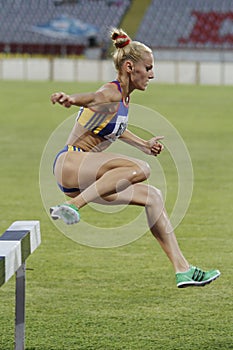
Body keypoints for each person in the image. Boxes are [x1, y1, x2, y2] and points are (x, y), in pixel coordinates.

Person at [49, 28, 220, 288]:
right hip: (71, 163)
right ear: (130, 67)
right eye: (148, 68)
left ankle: (182, 269)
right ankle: (72, 208)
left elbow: (113, 128)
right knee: (141, 169)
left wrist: (143, 144)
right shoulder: (113, 92)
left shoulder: (124, 99)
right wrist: (70, 99)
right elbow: (93, 99)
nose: (152, 74)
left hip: (81, 177)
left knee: (153, 197)